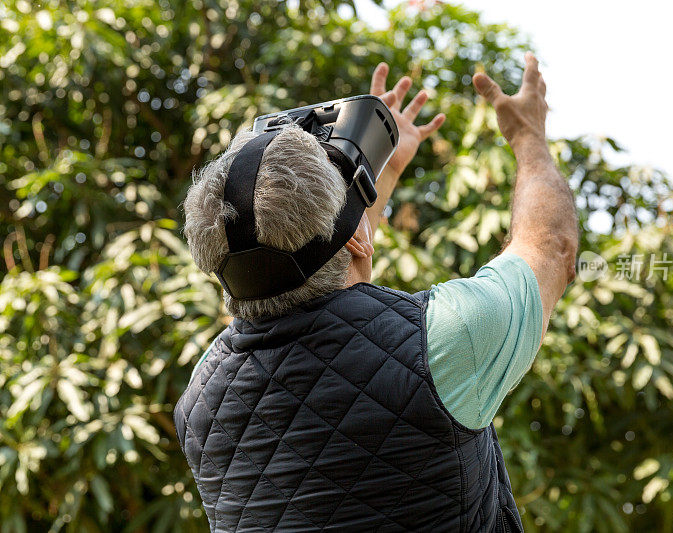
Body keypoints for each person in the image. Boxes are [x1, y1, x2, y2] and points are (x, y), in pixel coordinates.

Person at [174, 52, 578, 532]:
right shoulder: (442, 345)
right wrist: (527, 133)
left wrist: (379, 175)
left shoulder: (200, 401)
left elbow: (324, 279)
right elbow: (551, 245)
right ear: (359, 238)